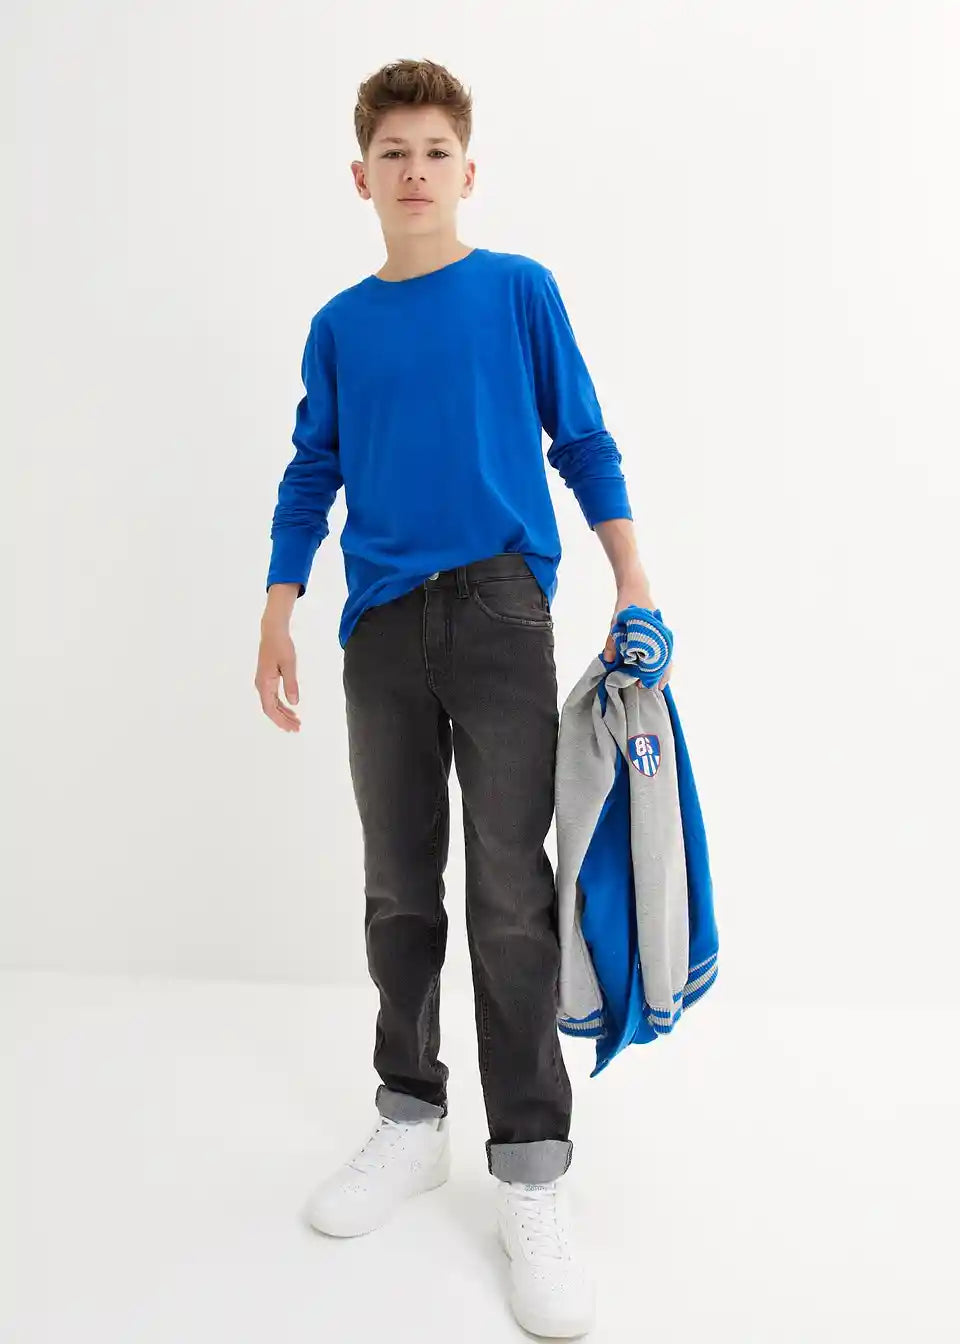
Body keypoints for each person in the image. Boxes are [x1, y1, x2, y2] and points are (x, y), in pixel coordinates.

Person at [254, 58, 669, 1340]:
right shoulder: (340, 324)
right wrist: (277, 604)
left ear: (468, 169)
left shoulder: (516, 291)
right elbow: (311, 469)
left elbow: (581, 437)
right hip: (380, 627)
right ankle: (411, 1118)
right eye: (395, 152)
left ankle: (531, 1168)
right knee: (397, 886)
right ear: (361, 176)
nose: (417, 171)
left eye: (437, 150)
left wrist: (632, 579)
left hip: (499, 611)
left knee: (508, 892)